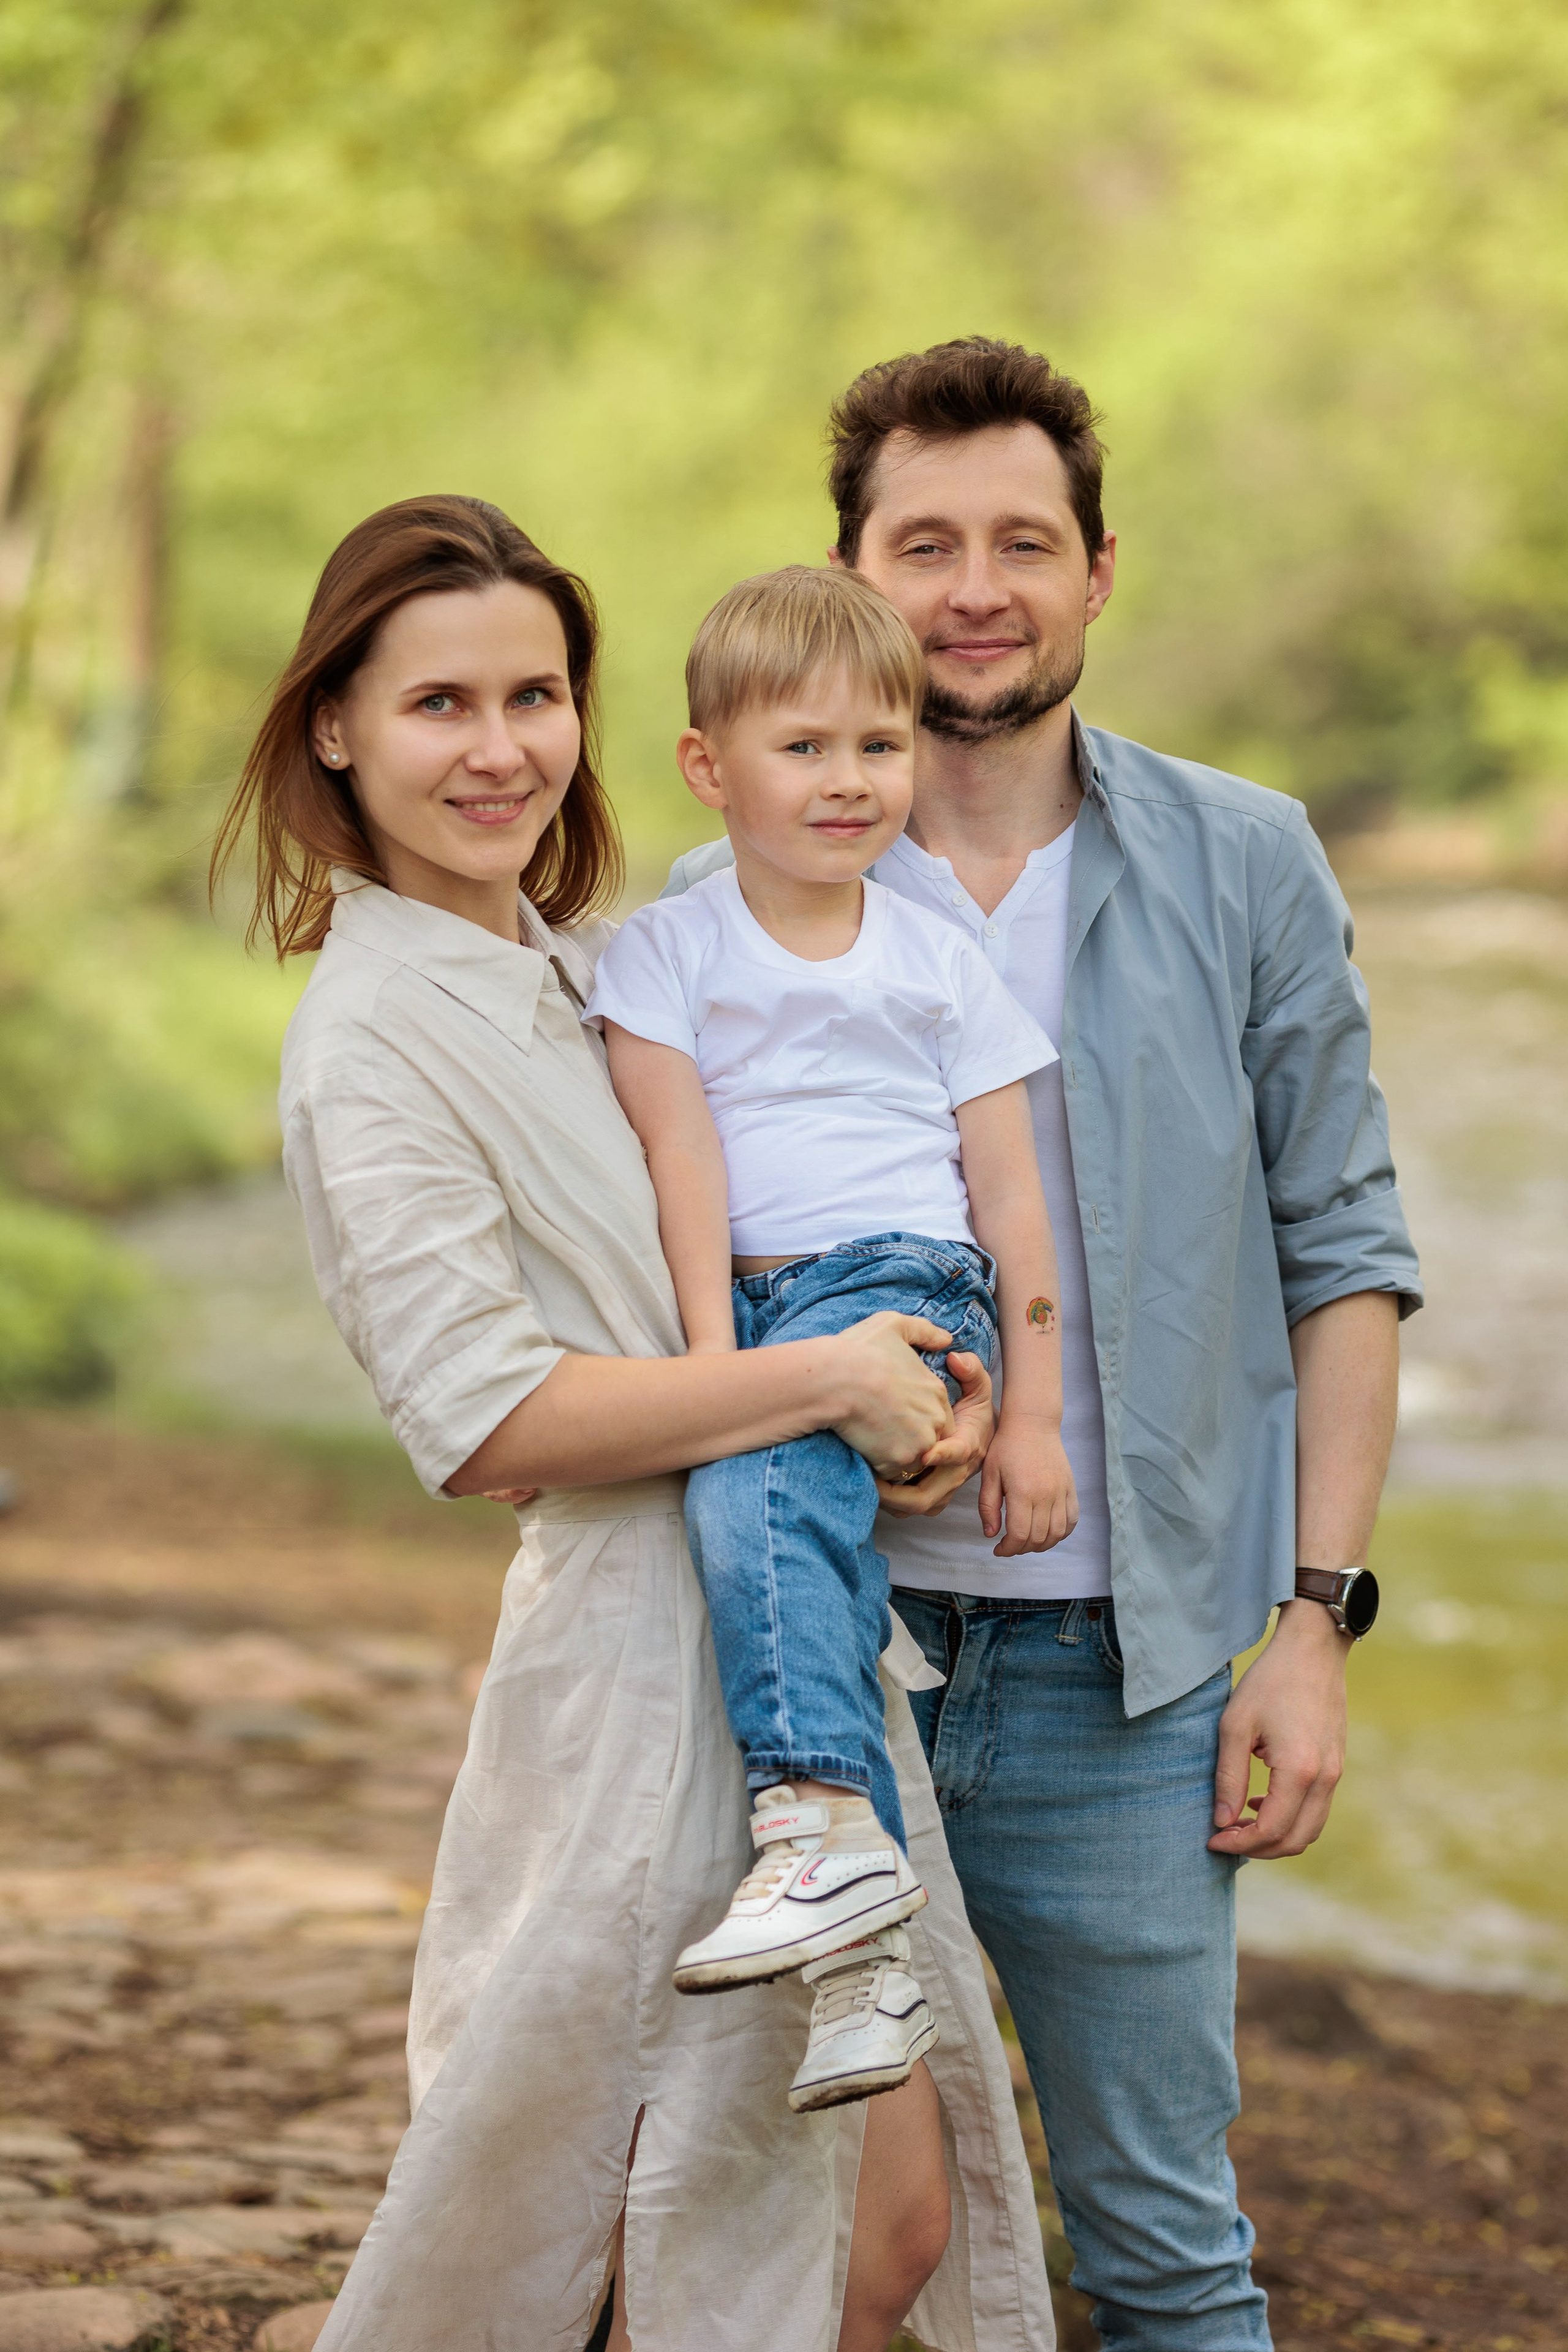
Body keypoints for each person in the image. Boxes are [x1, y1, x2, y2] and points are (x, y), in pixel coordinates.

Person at [213, 491, 1055, 2352]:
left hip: (791, 1633)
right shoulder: (371, 1033)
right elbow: (489, 1412)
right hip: (624, 1671)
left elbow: (795, 1237)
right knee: (600, 2223)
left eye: (536, 694)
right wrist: (817, 1380)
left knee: (873, 2219)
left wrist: (917, 1396)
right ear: (336, 725)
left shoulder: (606, 956)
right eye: (441, 705)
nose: (500, 747)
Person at [665, 336, 1424, 2352]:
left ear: (1100, 573)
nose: (975, 585)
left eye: (1024, 540)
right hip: (808, 1681)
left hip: (1134, 1680)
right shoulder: (718, 899)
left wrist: (1317, 1618)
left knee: (1168, 2254)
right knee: (786, 2232)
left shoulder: (1242, 860)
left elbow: (1344, 1245)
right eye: (926, 543)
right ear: (852, 569)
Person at [586, 563, 1076, 2117]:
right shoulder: (668, 950)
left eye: (880, 744)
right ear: (706, 766)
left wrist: (1037, 1415)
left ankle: (814, 1834)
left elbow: (1012, 1202)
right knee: (785, 1568)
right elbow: (682, 1167)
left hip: (899, 1284)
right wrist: (699, 1371)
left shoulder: (936, 962)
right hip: (747, 1300)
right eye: (803, 748)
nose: (848, 780)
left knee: (754, 1509)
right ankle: (865, 1969)